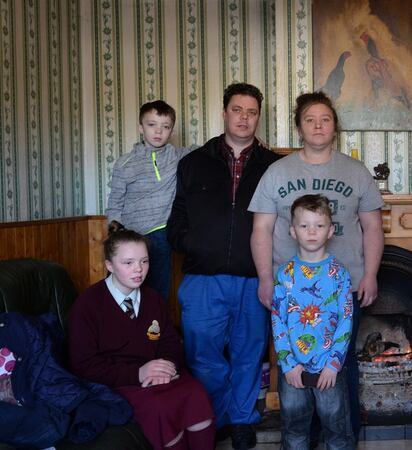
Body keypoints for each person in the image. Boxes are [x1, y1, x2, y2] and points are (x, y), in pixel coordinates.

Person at [249, 91, 384, 439]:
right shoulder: (277, 173)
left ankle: (343, 438)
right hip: (290, 289)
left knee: (340, 364)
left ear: (335, 126)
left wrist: (369, 274)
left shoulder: (356, 172)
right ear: (299, 127)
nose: (318, 125)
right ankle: (301, 440)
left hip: (344, 285)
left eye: (325, 119)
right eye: (310, 119)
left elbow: (372, 227)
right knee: (294, 360)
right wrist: (265, 278)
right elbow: (261, 229)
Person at [167, 82, 281, 450]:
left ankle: (243, 419)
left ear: (258, 118)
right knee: (203, 355)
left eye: (251, 112)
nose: (244, 118)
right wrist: (193, 244)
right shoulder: (194, 162)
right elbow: (177, 218)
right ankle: (213, 417)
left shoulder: (274, 166)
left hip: (254, 278)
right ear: (225, 112)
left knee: (250, 352)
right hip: (203, 278)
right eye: (237, 110)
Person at [67, 230, 215, 450]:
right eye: (128, 263)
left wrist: (168, 367)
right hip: (119, 382)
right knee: (160, 407)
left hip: (160, 376)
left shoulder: (153, 299)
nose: (138, 269)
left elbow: (170, 343)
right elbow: (83, 364)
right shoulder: (88, 304)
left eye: (144, 261)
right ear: (109, 265)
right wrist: (138, 373)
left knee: (196, 393)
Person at [273, 194, 355, 450]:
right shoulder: (285, 275)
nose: (311, 232)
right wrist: (288, 365)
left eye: (319, 226)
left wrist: (334, 364)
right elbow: (278, 321)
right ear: (293, 231)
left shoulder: (339, 273)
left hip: (329, 370)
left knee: (337, 432)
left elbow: (346, 319)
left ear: (330, 231)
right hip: (293, 372)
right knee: (294, 433)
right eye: (304, 225)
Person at [105, 100, 192, 301]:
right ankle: (115, 329)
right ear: (141, 127)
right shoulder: (125, 163)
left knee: (156, 292)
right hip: (130, 235)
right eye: (152, 124)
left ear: (171, 131)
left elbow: (211, 149)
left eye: (166, 126)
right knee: (117, 292)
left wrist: (252, 142)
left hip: (161, 233)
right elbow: (115, 201)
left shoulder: (178, 156)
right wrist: (115, 233)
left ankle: (153, 331)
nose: (158, 131)